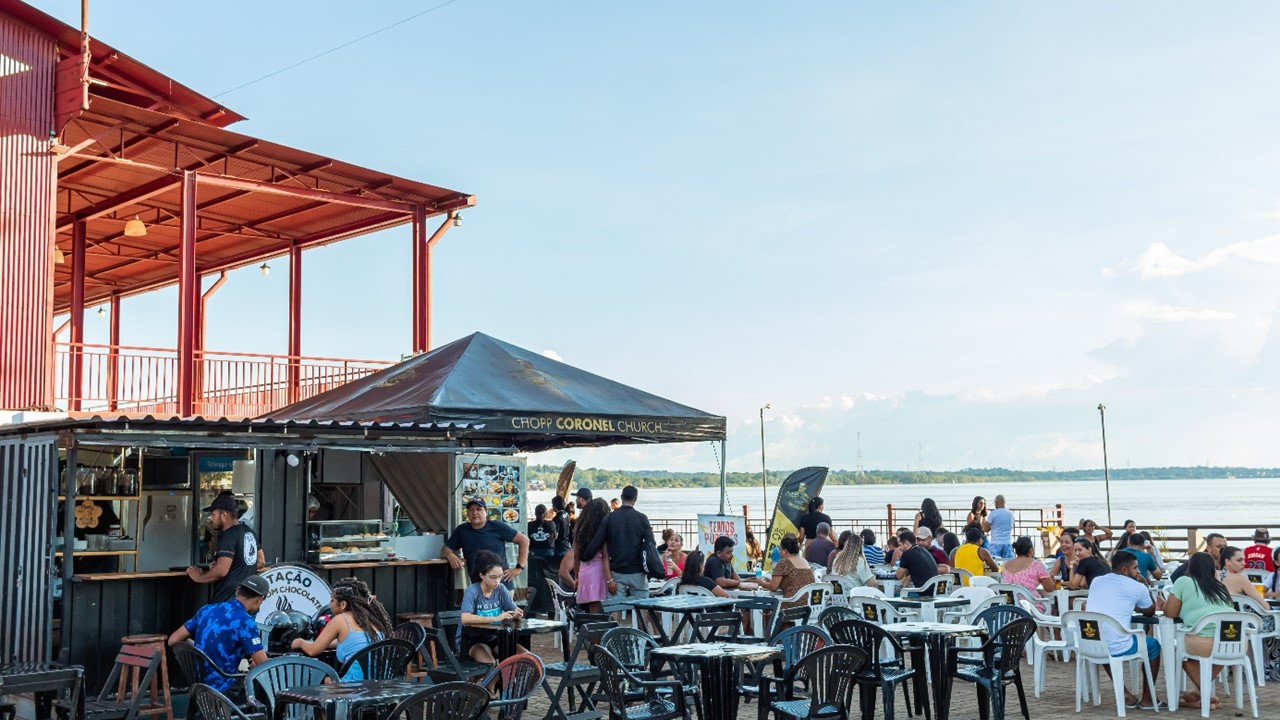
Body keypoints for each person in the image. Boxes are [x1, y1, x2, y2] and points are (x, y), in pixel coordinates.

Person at [167, 574, 269, 698]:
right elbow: (264, 666)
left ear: (238, 591)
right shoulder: (246, 621)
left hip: (198, 686)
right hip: (224, 689)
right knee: (264, 688)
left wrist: (200, 650)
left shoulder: (206, 610)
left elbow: (173, 640)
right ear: (260, 599)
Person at [1085, 551, 1162, 709]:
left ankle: (1125, 694)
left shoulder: (1096, 581)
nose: (1138, 571)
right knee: (1153, 646)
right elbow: (1150, 611)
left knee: (1105, 641)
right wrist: (1145, 586)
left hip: (1089, 641)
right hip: (1117, 645)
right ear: (1125, 570)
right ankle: (1148, 699)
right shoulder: (1137, 587)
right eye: (1135, 568)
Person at [1163, 552, 1235, 711]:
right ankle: (1199, 693)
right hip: (1235, 642)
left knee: (1178, 652)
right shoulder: (1220, 587)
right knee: (1218, 654)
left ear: (1191, 567)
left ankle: (1206, 695)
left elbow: (1170, 613)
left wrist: (1163, 604)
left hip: (1205, 643)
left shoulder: (1184, 581)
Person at [290, 577, 391, 680]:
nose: (330, 604)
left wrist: (300, 642)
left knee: (323, 679)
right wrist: (326, 643)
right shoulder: (373, 618)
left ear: (343, 604)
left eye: (332, 600)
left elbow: (312, 651)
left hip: (355, 685)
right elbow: (356, 642)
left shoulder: (340, 620)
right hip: (381, 683)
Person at [188, 493, 262, 603]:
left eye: (213, 514)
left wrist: (198, 577)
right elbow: (261, 561)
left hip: (227, 600)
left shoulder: (228, 535)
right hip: (245, 600)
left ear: (224, 515)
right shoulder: (249, 532)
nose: (211, 518)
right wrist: (233, 564)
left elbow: (221, 571)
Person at [584, 485, 654, 599]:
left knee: (615, 605)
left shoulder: (609, 518)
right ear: (635, 499)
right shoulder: (642, 518)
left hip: (617, 571)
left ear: (621, 497)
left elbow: (597, 541)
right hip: (638, 571)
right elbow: (651, 543)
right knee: (642, 605)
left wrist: (584, 555)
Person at [442, 498, 530, 586]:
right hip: (478, 585)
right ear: (467, 513)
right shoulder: (462, 530)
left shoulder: (498, 526)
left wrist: (519, 568)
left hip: (502, 585)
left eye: (479, 509)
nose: (475, 513)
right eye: (471, 510)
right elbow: (445, 550)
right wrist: (450, 555)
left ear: (486, 512)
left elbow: (524, 540)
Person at [458, 550, 525, 664]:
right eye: (493, 577)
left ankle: (509, 676)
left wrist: (517, 614)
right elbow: (465, 618)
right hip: (472, 640)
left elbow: (513, 610)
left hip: (495, 637)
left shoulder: (501, 589)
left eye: (500, 576)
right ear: (482, 575)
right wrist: (495, 618)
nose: (497, 581)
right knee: (490, 663)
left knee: (526, 657)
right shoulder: (473, 591)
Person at [573, 499, 613, 612]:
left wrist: (577, 577)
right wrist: (610, 579)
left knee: (592, 609)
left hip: (584, 572)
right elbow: (605, 555)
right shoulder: (602, 532)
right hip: (599, 571)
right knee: (601, 610)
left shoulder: (580, 531)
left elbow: (576, 556)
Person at [755, 535, 816, 606]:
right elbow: (794, 581)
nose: (779, 552)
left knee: (764, 606)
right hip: (808, 605)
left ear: (785, 551)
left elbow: (773, 587)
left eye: (780, 549)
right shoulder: (804, 561)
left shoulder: (784, 562)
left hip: (791, 605)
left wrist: (759, 582)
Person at [526, 503, 557, 617]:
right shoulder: (551, 524)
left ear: (535, 513)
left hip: (533, 554)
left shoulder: (529, 525)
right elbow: (555, 536)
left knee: (534, 583)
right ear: (546, 513)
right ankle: (551, 610)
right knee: (548, 583)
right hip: (548, 555)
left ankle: (532, 608)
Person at [982, 494, 1015, 560]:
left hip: (995, 543)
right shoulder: (1011, 514)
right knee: (1008, 563)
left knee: (995, 563)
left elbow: (986, 529)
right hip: (1008, 543)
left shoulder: (993, 513)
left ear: (996, 503)